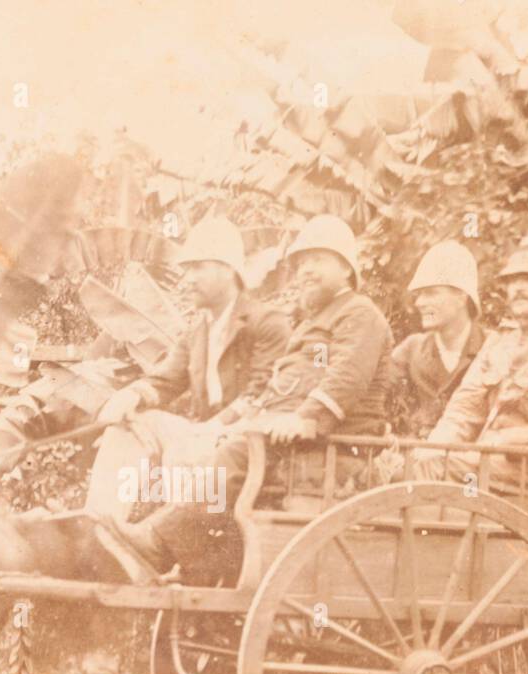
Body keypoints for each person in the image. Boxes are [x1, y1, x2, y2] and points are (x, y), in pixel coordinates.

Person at [106, 213, 392, 576]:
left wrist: (308, 417)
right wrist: (250, 421)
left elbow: (347, 375)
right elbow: (277, 388)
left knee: (234, 456)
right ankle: (193, 565)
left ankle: (160, 544)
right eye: (301, 262)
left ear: (347, 269)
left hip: (334, 441)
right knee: (222, 449)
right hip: (288, 434)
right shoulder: (309, 324)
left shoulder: (360, 315)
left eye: (318, 260)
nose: (306, 270)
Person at [84, 216, 290, 521]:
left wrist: (213, 428)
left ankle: (174, 541)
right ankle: (101, 525)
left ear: (228, 269)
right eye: (187, 269)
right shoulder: (197, 334)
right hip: (207, 438)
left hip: (248, 441)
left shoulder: (267, 323)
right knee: (128, 426)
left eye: (198, 267)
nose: (188, 278)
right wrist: (130, 397)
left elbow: (261, 395)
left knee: (187, 449)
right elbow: (165, 380)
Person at [415, 234, 528, 518]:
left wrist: (507, 440)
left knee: (429, 471)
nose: (517, 288)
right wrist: (434, 448)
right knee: (415, 462)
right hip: (483, 467)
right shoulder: (499, 341)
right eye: (512, 280)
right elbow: (464, 409)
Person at [387, 240, 486, 438]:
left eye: (431, 293)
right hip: (419, 460)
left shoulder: (491, 347)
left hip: (472, 462)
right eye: (420, 295)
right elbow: (379, 387)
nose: (420, 303)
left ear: (461, 297)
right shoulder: (413, 348)